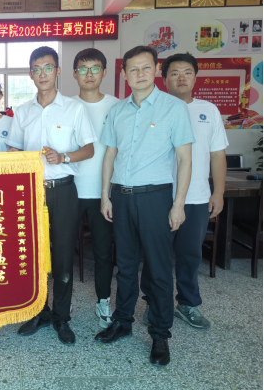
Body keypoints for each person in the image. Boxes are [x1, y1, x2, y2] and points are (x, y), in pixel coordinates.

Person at [95, 46, 194, 367]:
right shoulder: (118, 111)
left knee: (159, 268)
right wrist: (105, 196)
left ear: (156, 70)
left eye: (145, 67)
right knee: (125, 266)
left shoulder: (173, 108)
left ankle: (160, 334)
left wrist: (178, 204)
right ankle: (123, 322)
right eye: (133, 69)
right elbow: (110, 155)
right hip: (122, 197)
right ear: (124, 74)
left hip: (156, 197)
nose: (140, 74)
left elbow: (185, 159)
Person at [6, 46, 96, 345]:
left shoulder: (74, 108)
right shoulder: (22, 111)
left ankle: (61, 316)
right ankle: (39, 311)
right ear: (30, 74)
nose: (42, 73)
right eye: (37, 68)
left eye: (48, 67)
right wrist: (16, 156)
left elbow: (89, 148)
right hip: (31, 193)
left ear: (57, 71)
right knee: (33, 253)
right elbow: (15, 149)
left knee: (62, 254)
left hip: (64, 190)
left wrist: (64, 157)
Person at [141, 53, 228, 330]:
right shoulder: (152, 108)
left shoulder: (209, 110)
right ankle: (154, 301)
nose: (181, 78)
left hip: (197, 197)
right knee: (155, 254)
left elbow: (217, 155)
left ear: (195, 77)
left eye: (187, 72)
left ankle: (188, 303)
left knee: (190, 254)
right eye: (175, 73)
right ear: (164, 78)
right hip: (158, 196)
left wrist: (218, 192)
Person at [71, 49, 120, 329]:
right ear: (74, 74)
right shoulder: (66, 106)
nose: (89, 74)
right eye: (83, 68)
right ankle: (62, 302)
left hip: (105, 193)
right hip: (70, 191)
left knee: (103, 252)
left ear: (104, 72)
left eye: (95, 68)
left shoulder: (117, 106)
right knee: (63, 250)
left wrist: (109, 192)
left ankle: (103, 301)